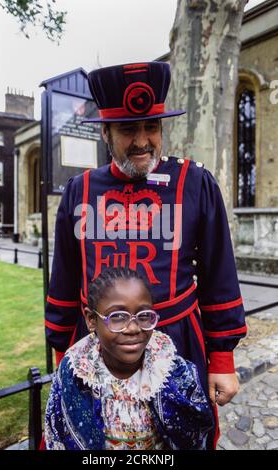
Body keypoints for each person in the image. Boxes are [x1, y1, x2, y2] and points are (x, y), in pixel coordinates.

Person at [45, 61, 247, 448]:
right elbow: (65, 280)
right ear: (105, 132)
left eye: (151, 127)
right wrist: (62, 356)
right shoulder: (79, 190)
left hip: (179, 346)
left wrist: (222, 361)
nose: (142, 141)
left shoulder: (196, 183)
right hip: (97, 349)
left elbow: (219, 277)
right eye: (127, 129)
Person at [45, 267, 214, 450]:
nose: (133, 328)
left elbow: (193, 435)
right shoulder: (74, 373)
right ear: (92, 319)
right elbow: (58, 436)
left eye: (144, 315)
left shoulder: (171, 370)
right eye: (117, 316)